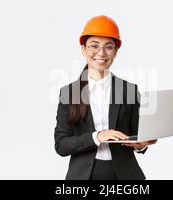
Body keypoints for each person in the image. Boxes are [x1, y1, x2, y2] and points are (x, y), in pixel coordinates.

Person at [54, 15, 157, 180]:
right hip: (84, 176)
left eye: (108, 47)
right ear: (83, 49)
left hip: (125, 175)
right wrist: (96, 136)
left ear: (115, 52)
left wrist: (141, 144)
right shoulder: (69, 93)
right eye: (94, 45)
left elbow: (136, 134)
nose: (101, 53)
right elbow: (61, 145)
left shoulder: (129, 90)